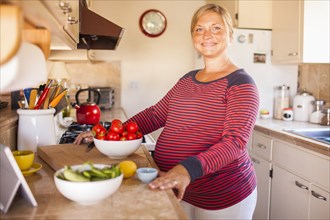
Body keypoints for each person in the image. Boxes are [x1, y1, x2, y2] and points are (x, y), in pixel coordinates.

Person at [74, 3, 259, 219]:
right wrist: (107, 133)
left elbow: (234, 143)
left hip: (221, 197)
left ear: (230, 35)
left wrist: (187, 169)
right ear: (193, 36)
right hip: (176, 185)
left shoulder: (241, 84)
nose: (206, 34)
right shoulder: (188, 80)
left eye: (216, 28)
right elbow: (155, 115)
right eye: (199, 29)